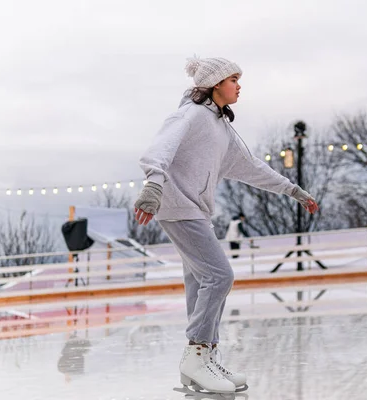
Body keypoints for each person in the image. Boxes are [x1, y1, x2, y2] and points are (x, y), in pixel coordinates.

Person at [133, 56, 319, 394]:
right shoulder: (190, 114)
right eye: (234, 78)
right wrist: (154, 184)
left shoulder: (221, 127)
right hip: (178, 205)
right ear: (216, 84)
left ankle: (203, 360)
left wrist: (292, 190)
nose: (239, 85)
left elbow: (251, 167)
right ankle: (196, 354)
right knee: (220, 276)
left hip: (195, 209)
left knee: (200, 281)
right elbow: (159, 148)